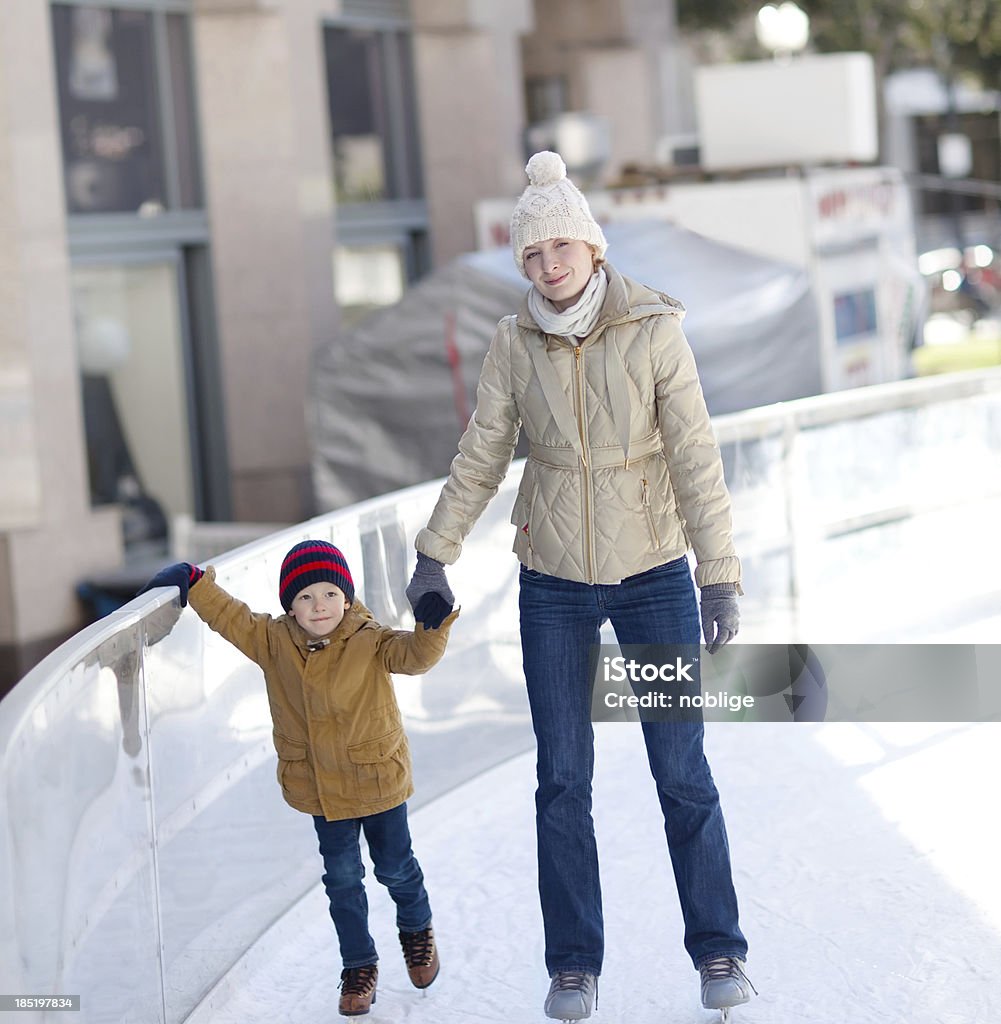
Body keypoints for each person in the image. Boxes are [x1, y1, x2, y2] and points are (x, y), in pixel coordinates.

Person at [405, 152, 753, 1021]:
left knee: (682, 774)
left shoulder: (654, 328)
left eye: (561, 245)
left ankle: (717, 950)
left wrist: (717, 574)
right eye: (532, 254)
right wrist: (433, 551)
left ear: (591, 247)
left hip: (653, 577)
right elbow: (482, 452)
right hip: (553, 583)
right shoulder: (512, 344)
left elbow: (695, 458)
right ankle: (573, 966)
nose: (548, 264)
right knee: (562, 780)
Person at [141, 540, 457, 1017]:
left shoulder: (370, 638)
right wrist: (196, 583)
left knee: (395, 867)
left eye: (330, 594)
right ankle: (359, 966)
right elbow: (232, 617)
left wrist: (432, 625)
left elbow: (414, 657)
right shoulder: (273, 642)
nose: (319, 606)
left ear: (346, 598)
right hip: (320, 787)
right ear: (289, 604)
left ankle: (416, 930)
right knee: (343, 879)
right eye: (305, 597)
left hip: (377, 780)